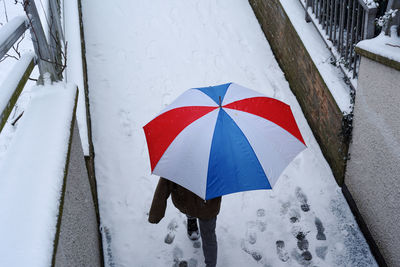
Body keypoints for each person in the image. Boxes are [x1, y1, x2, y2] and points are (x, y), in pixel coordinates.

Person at [148, 177, 222, 267]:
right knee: (190, 210)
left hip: (207, 204)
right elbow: (165, 183)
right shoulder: (176, 163)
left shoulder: (176, 163)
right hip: (188, 199)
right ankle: (191, 220)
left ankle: (211, 265)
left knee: (208, 236)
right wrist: (156, 213)